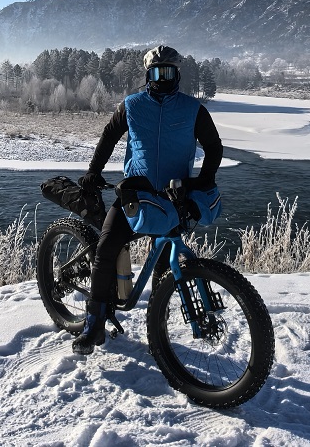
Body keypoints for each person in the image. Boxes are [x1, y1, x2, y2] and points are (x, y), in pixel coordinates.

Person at [72, 45, 223, 355]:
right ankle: (94, 324)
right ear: (147, 75)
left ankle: (157, 325)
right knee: (106, 248)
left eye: (168, 72)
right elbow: (108, 137)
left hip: (172, 198)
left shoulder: (192, 109)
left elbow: (214, 147)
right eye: (156, 73)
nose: (162, 79)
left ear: (177, 75)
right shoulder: (132, 105)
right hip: (135, 196)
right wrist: (92, 172)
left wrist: (201, 182)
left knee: (164, 265)